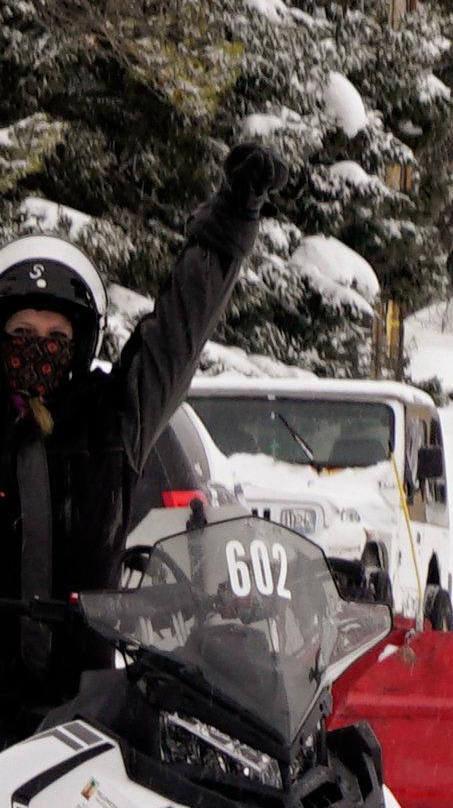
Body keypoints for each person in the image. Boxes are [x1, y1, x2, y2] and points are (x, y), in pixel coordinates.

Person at [4, 83, 295, 741]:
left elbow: (177, 334)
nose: (38, 354)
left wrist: (231, 221)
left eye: (55, 341)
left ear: (81, 346)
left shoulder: (113, 418)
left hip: (86, 722)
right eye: (22, 338)